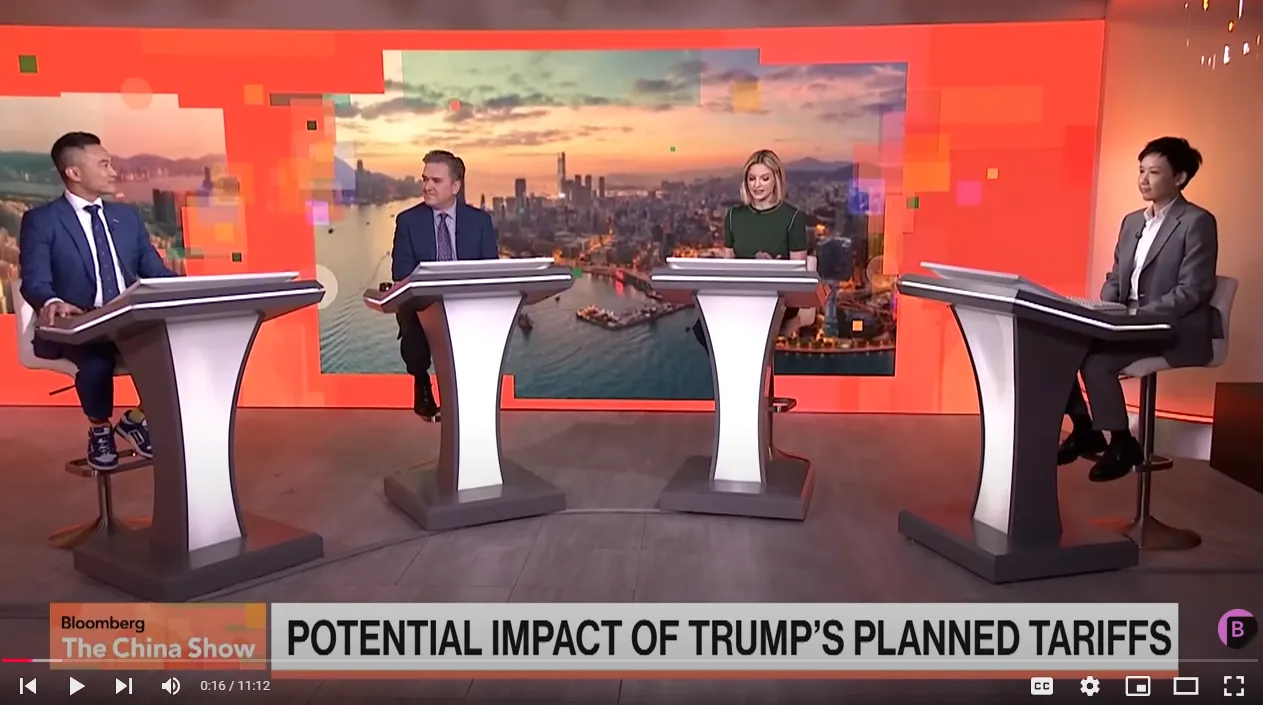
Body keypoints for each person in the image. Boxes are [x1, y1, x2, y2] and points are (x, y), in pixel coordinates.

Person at [1057, 137, 1219, 482]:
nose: (1143, 179)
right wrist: (1105, 307)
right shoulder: (1133, 221)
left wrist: (1136, 317)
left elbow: (1193, 291)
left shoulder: (1197, 222)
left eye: (1154, 172)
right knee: (1059, 345)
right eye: (1141, 171)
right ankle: (1085, 428)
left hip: (1172, 327)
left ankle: (1121, 442)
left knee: (1097, 362)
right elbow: (1116, 276)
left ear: (1180, 178)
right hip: (1127, 323)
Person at [18, 132, 176, 470]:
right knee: (96, 361)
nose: (113, 171)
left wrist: (192, 290)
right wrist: (51, 300)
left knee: (179, 350)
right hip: (76, 325)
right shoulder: (42, 221)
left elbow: (155, 272)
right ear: (74, 172)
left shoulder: (127, 217)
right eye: (104, 164)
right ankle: (100, 429)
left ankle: (136, 419)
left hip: (126, 322)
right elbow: (34, 280)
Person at [390, 150, 499, 421]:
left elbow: (491, 272)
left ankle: (472, 399)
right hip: (424, 304)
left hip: (467, 305)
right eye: (425, 179)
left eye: (436, 181)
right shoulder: (408, 221)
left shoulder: (480, 222)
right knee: (411, 318)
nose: (427, 186)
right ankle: (422, 382)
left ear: (455, 186)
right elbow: (401, 272)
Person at [691, 149, 810, 349]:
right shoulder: (733, 216)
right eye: (752, 178)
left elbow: (799, 275)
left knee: (743, 324)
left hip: (778, 298)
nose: (757, 185)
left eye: (764, 178)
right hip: (742, 293)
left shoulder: (793, 217)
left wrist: (774, 267)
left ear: (776, 180)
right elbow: (729, 264)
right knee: (703, 327)